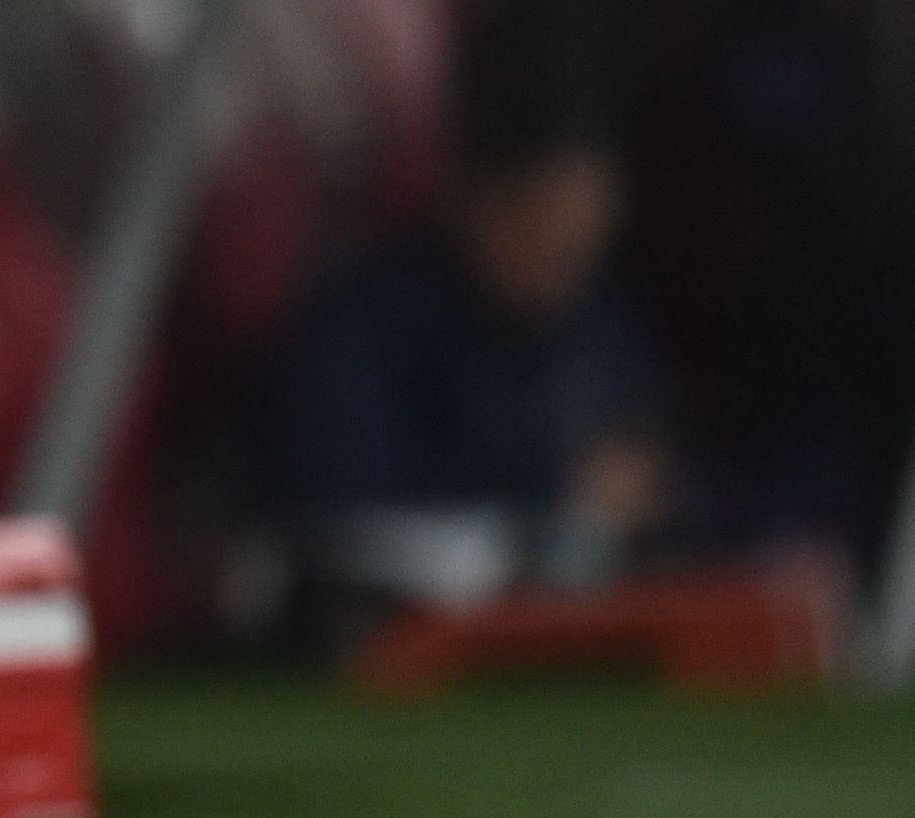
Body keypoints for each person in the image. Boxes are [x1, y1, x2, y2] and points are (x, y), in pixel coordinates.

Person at [285, 37, 669, 605]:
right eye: (548, 238)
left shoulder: (596, 325)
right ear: (480, 205)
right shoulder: (368, 328)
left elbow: (655, 461)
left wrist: (639, 492)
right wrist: (553, 513)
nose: (567, 270)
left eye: (585, 245)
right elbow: (345, 516)